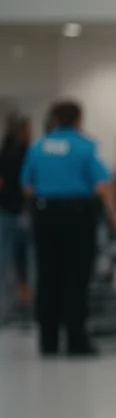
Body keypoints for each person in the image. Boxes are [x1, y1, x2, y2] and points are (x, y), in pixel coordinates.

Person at [19, 101, 116, 357]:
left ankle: (48, 341)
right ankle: (76, 340)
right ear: (78, 120)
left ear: (54, 120)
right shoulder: (85, 146)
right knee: (77, 277)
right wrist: (112, 218)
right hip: (78, 217)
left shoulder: (38, 147)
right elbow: (103, 185)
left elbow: (27, 185)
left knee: (47, 276)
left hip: (45, 216)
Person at [0, 115, 34, 321]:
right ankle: (26, 305)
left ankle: (7, 309)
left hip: (7, 212)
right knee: (27, 265)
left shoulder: (3, 153)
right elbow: (29, 186)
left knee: (6, 264)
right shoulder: (28, 154)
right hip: (24, 214)